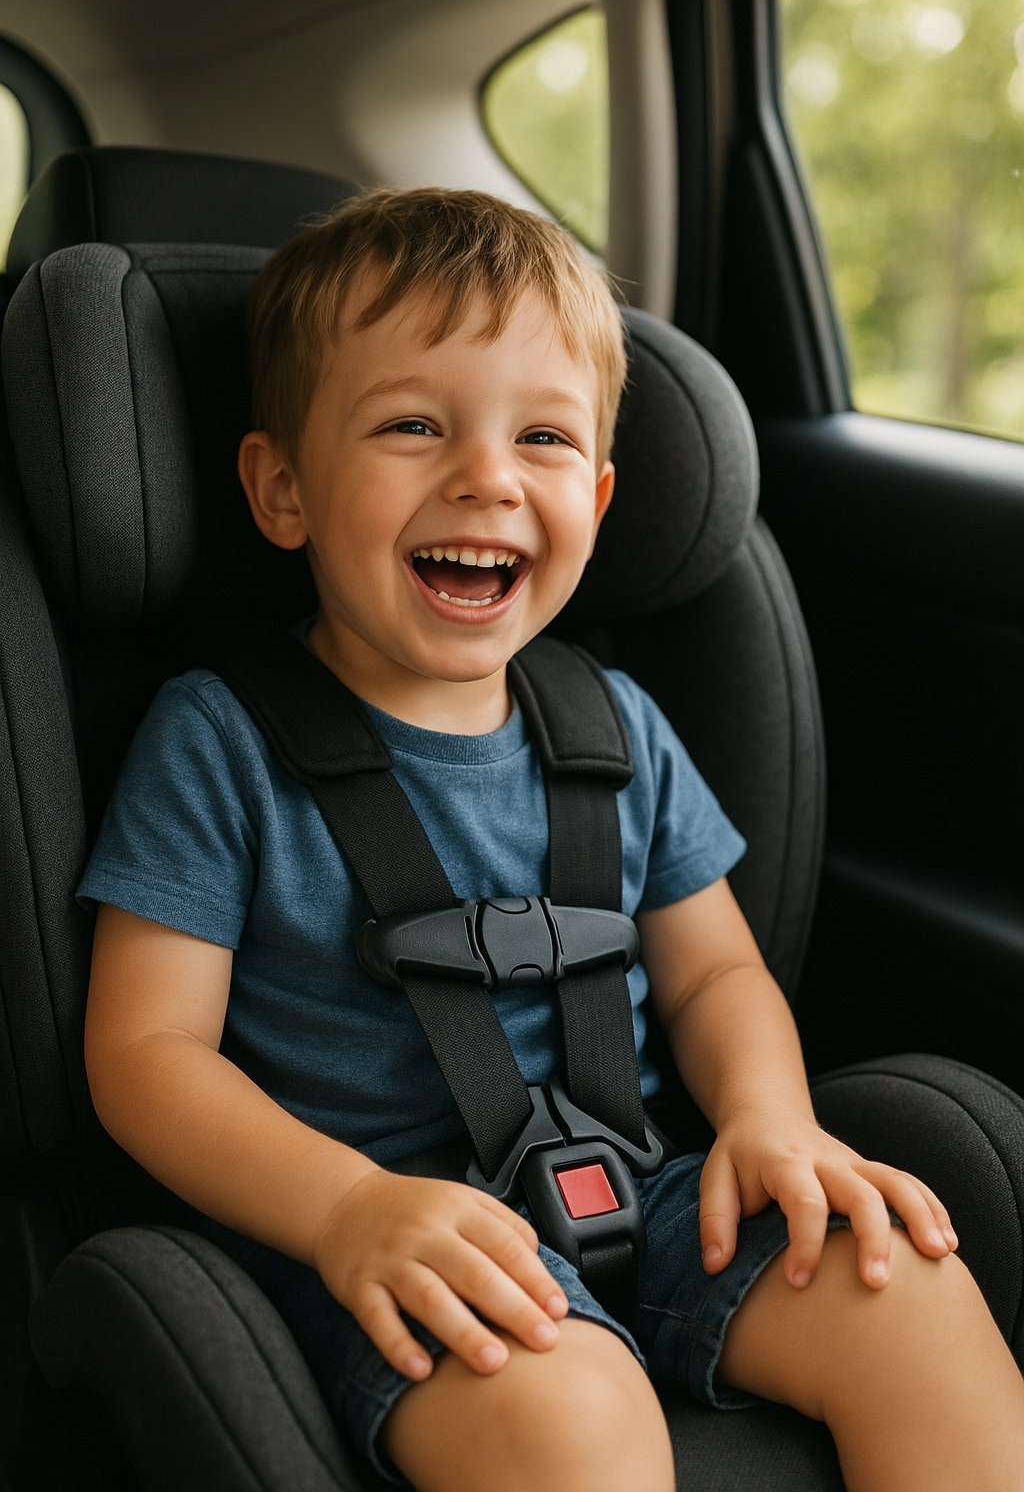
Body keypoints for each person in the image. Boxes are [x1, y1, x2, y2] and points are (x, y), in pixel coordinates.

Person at [81, 188, 1024, 1492]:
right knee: (570, 1415)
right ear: (282, 487)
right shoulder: (219, 738)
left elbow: (715, 972)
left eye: (544, 437)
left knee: (905, 1294)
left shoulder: (616, 726)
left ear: (601, 491)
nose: (489, 476)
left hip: (645, 1188)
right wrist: (346, 1208)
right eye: (414, 426)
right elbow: (144, 1053)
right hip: (393, 1233)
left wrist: (770, 1117)